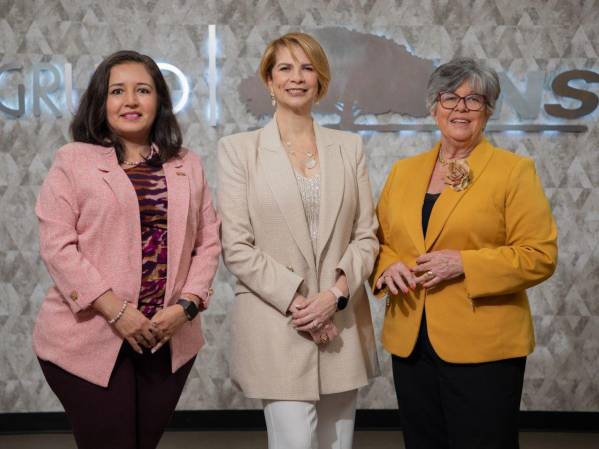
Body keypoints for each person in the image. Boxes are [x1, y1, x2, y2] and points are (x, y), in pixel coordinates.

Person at [34, 50, 221, 449]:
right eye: (118, 91)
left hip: (167, 338)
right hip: (88, 337)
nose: (131, 101)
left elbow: (208, 242)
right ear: (102, 102)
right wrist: (117, 312)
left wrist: (186, 307)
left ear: (160, 102)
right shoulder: (73, 161)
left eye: (143, 90)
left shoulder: (189, 164)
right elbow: (58, 247)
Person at [371, 57, 557, 449]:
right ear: (433, 106)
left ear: (488, 110)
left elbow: (539, 254)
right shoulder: (403, 171)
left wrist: (464, 263)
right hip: (411, 339)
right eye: (449, 98)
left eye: (474, 100)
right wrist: (387, 268)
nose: (460, 108)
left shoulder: (514, 171)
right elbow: (380, 241)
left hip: (484, 345)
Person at [218, 32, 379, 449]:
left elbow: (366, 236)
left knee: (337, 443)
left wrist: (334, 297)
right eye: (285, 68)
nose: (297, 77)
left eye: (307, 68)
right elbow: (236, 246)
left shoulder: (349, 147)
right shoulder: (239, 150)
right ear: (269, 81)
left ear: (320, 80)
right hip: (279, 323)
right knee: (292, 443)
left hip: (340, 322)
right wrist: (301, 304)